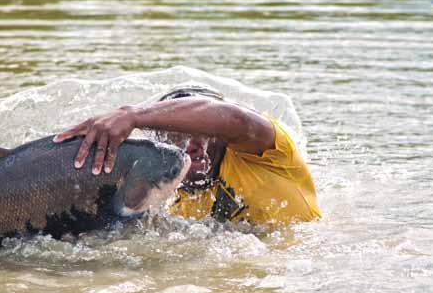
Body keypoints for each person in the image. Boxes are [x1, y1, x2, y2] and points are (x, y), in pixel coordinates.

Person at [53, 85, 321, 227]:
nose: (194, 144)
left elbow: (234, 118)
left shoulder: (270, 154)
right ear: (159, 140)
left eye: (204, 132)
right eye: (177, 134)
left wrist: (132, 115)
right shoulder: (162, 198)